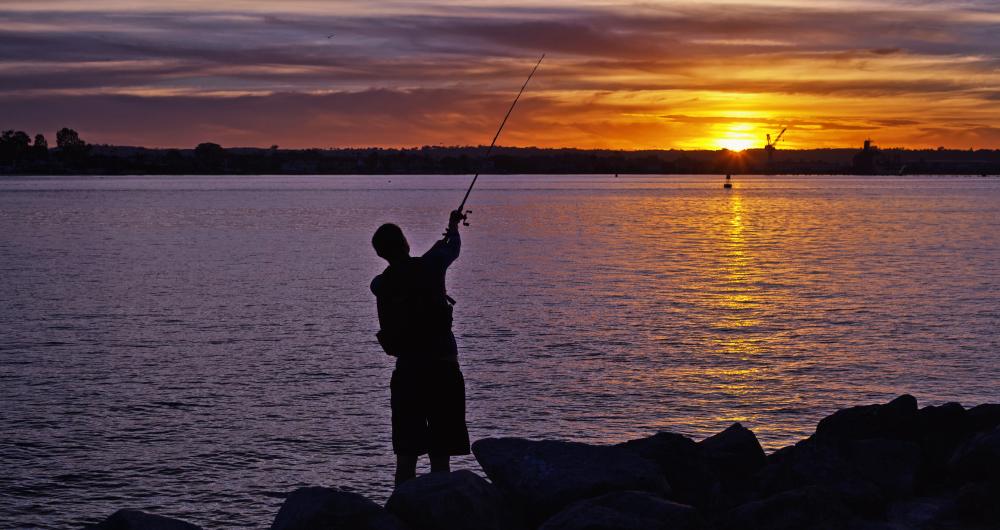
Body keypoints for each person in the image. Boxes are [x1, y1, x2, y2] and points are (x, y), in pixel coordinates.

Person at [370, 209, 470, 485]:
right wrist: (453, 227)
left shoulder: (380, 284)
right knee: (441, 455)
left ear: (380, 254)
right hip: (443, 370)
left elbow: (386, 280)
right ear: (405, 243)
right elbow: (453, 249)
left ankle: (401, 516)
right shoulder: (432, 265)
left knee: (406, 456)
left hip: (408, 373)